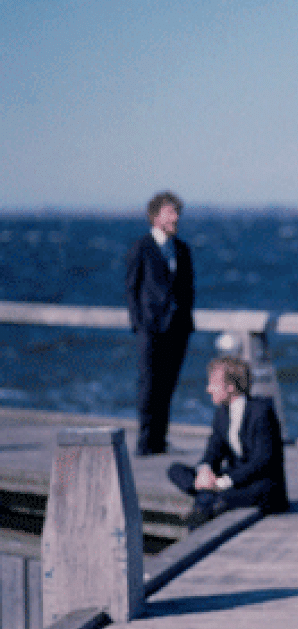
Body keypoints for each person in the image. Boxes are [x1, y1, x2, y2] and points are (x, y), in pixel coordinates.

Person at [168, 356, 289, 529]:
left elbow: (262, 462)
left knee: (224, 496)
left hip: (259, 482)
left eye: (213, 384)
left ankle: (203, 506)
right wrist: (205, 472)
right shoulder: (222, 414)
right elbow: (212, 453)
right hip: (231, 481)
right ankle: (204, 492)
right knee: (175, 470)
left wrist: (223, 482)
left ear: (230, 387)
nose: (208, 389)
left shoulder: (261, 411)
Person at [125, 191, 195, 456]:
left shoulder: (182, 249)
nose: (176, 218)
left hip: (177, 328)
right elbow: (131, 288)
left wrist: (186, 320)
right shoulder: (141, 247)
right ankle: (145, 442)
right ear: (155, 217)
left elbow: (188, 289)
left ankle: (159, 440)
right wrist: (139, 324)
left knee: (168, 385)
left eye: (177, 212)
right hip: (150, 328)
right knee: (148, 384)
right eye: (170, 212)